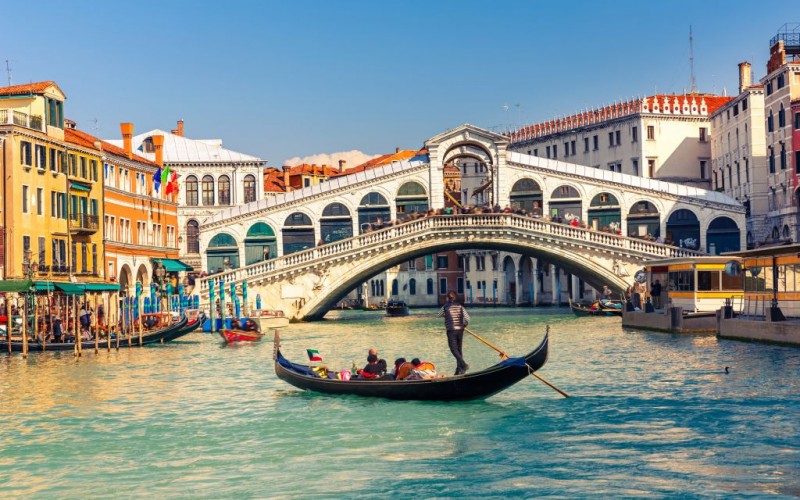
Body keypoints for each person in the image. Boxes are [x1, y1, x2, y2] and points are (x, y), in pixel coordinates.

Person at [437, 291, 470, 375]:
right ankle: (459, 370)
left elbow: (438, 315)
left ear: (447, 298)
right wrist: (464, 325)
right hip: (460, 330)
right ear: (454, 298)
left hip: (451, 330)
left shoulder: (445, 307)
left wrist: (446, 315)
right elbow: (467, 318)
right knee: (459, 349)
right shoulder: (460, 307)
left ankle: (463, 365)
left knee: (453, 349)